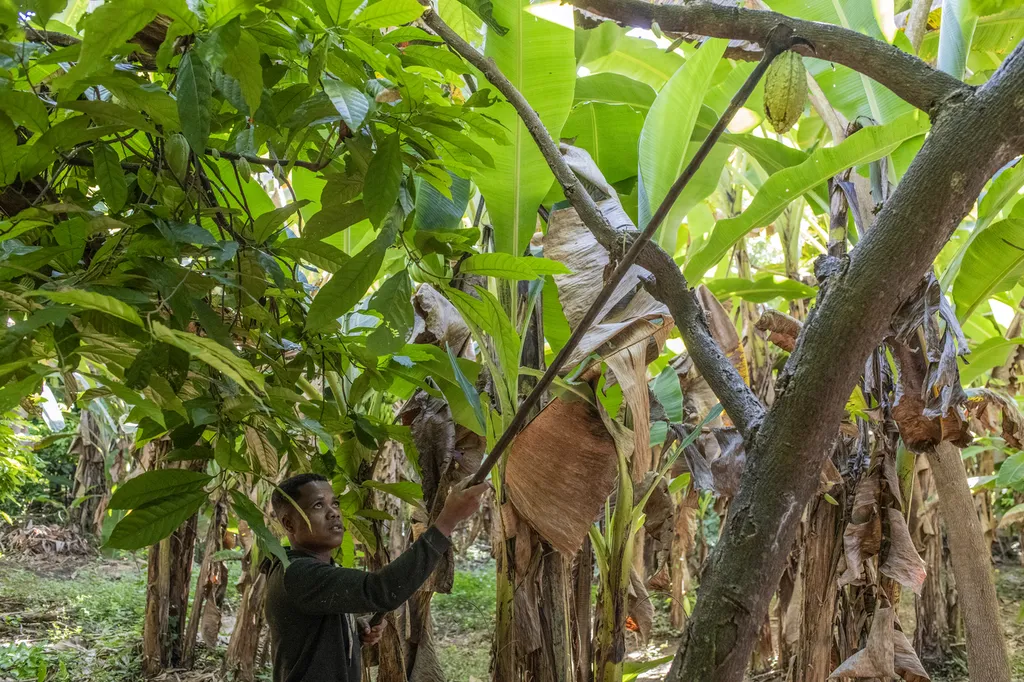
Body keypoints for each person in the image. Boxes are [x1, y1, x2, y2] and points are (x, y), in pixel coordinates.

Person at [264, 472, 488, 682]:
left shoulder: (309, 568)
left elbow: (310, 639)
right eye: (318, 505)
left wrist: (351, 630)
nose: (333, 512)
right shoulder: (297, 573)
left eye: (335, 503)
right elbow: (382, 590)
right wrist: (446, 521)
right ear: (288, 523)